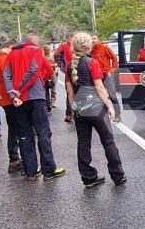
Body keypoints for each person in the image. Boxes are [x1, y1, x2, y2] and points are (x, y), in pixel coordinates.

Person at [65, 32, 126, 188]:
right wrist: (110, 106)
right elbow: (99, 87)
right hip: (96, 108)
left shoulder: (69, 66)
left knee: (83, 144)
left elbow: (70, 92)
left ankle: (88, 177)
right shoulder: (92, 63)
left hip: (80, 109)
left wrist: (73, 110)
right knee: (108, 141)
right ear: (88, 46)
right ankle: (118, 176)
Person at [3, 34, 66, 182]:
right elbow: (34, 71)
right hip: (36, 97)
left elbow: (6, 76)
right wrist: (20, 89)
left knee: (24, 135)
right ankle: (48, 170)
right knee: (43, 133)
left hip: (19, 101)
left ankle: (30, 172)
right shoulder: (35, 50)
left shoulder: (12, 53)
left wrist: (14, 95)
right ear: (33, 42)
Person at [0, 41, 23, 174]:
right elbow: (9, 78)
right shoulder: (3, 59)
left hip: (1, 96)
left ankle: (14, 160)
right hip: (9, 97)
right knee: (17, 129)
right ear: (11, 48)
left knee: (13, 128)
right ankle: (14, 160)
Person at [90, 34, 121, 122]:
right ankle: (102, 115)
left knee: (112, 95)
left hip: (106, 74)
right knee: (99, 95)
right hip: (97, 76)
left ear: (98, 39)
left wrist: (112, 70)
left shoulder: (104, 47)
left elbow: (114, 58)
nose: (93, 40)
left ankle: (118, 115)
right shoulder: (90, 50)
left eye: (94, 38)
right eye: (91, 39)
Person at [54, 33, 74, 123]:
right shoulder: (68, 45)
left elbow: (56, 55)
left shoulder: (65, 45)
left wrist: (62, 66)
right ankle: (72, 114)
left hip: (69, 70)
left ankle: (70, 114)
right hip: (74, 69)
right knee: (74, 92)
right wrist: (62, 66)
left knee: (70, 93)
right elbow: (56, 55)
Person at [42, 44, 58, 112]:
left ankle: (53, 101)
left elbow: (57, 64)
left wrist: (50, 65)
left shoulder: (53, 56)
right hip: (44, 74)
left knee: (53, 88)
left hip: (52, 74)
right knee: (45, 89)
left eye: (48, 50)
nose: (47, 51)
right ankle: (46, 102)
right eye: (46, 50)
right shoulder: (42, 56)